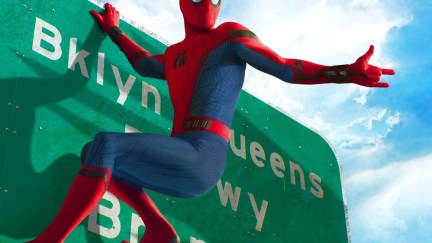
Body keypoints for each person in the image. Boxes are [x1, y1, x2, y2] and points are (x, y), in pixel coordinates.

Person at [29, 0, 395, 242]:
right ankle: (157, 227)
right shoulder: (174, 56)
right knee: (92, 151)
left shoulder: (230, 35)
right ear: (182, 4)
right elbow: (141, 63)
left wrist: (345, 71)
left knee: (107, 144)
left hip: (203, 157)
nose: (207, 2)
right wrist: (114, 31)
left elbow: (285, 68)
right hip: (179, 152)